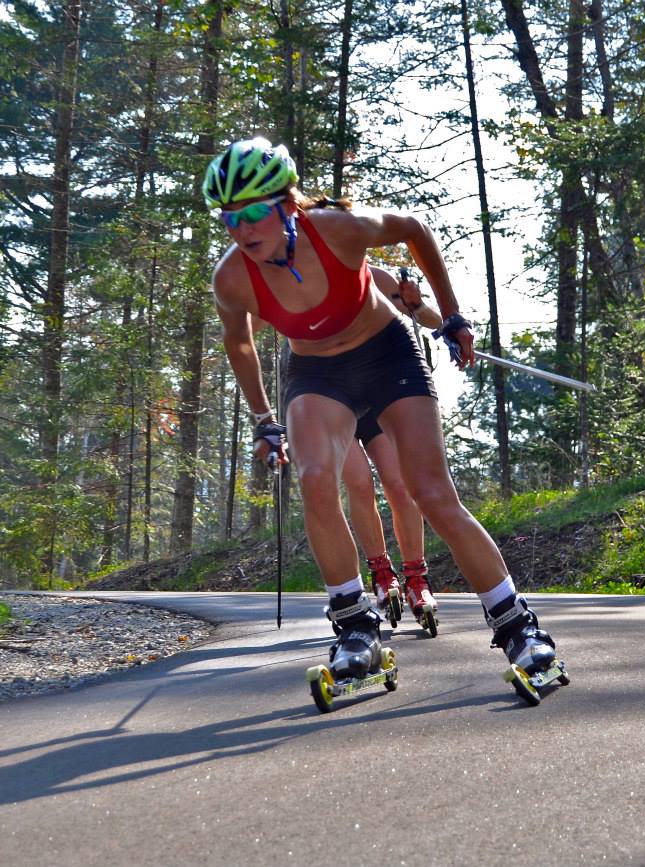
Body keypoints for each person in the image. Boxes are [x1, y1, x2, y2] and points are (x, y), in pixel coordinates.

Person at [205, 137, 561, 686]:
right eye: (230, 219)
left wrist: (452, 317)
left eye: (254, 213)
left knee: (431, 492)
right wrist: (262, 418)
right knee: (316, 478)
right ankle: (354, 627)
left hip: (385, 353)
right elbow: (240, 343)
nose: (243, 229)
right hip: (317, 372)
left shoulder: (336, 230)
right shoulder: (232, 278)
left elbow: (415, 229)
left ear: (287, 205)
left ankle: (518, 626)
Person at [341, 266, 441, 630]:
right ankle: (382, 574)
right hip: (331, 395)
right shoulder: (304, 273)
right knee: (359, 482)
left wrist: (415, 304)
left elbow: (428, 317)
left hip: (376, 391)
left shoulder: (377, 277)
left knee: (398, 483)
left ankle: (417, 578)